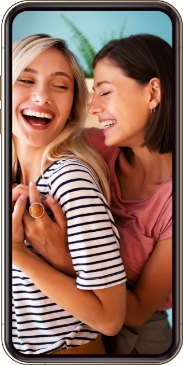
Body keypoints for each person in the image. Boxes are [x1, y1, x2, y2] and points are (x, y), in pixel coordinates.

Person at [14, 33, 173, 355]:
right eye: (90, 93)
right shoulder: (97, 146)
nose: (94, 108)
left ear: (153, 92)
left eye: (105, 92)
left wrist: (59, 255)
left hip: (141, 332)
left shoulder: (171, 203)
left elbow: (137, 309)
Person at [12, 34, 127, 355]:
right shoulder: (14, 178)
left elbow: (110, 318)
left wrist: (16, 253)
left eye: (60, 86)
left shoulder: (70, 180)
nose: (41, 96)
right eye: (25, 79)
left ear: (72, 106)